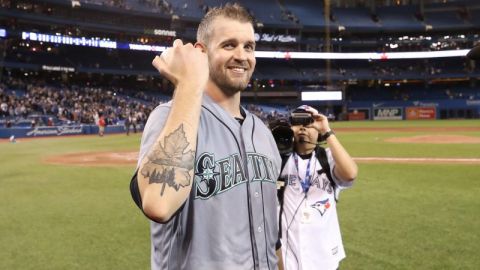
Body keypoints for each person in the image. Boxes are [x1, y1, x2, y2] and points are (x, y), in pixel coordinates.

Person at [130, 3, 282, 270]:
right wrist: (189, 83)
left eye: (249, 47)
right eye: (229, 45)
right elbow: (159, 203)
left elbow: (270, 235)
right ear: (201, 52)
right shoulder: (170, 117)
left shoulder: (262, 132)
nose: (242, 55)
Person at [276, 105, 358, 270]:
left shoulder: (328, 158)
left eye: (309, 122)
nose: (303, 127)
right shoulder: (280, 160)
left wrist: (327, 130)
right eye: (297, 122)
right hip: (288, 257)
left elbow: (350, 174)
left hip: (324, 258)